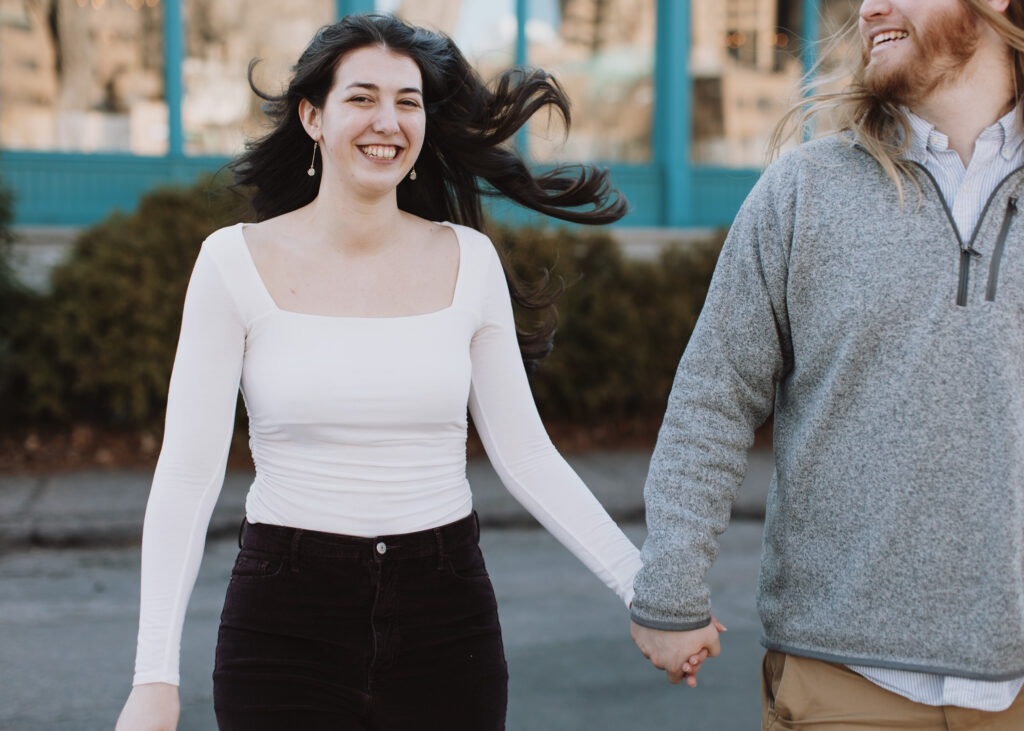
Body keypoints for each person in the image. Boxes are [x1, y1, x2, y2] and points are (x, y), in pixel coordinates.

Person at [113, 13, 652, 731]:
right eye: (361, 97)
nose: (387, 121)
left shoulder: (468, 261)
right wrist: (154, 677)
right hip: (285, 620)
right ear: (313, 115)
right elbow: (187, 473)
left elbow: (526, 455)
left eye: (407, 101)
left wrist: (647, 592)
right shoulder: (231, 262)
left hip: (446, 616)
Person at [629, 0, 1024, 727]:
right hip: (843, 681)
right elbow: (712, 398)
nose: (869, 5)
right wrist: (670, 584)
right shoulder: (802, 191)